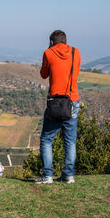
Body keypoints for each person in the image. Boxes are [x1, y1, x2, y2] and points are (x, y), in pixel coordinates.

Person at [35, 30, 81, 184]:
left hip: (55, 101)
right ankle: (68, 175)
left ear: (52, 42)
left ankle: (47, 175)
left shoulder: (48, 53)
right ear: (65, 41)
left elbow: (43, 74)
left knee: (47, 140)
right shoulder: (76, 52)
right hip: (72, 100)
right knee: (70, 141)